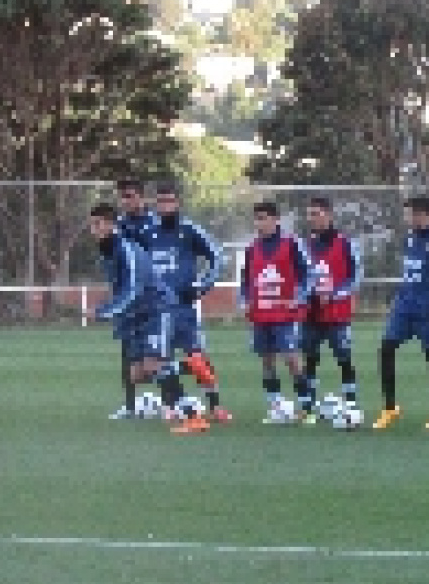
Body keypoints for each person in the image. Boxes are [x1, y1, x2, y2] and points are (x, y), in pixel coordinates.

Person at [86, 202, 207, 434]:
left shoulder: (127, 250)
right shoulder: (107, 251)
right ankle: (189, 365)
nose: (94, 229)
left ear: (111, 224)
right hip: (137, 315)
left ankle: (193, 417)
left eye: (98, 224)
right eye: (91, 224)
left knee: (154, 365)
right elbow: (120, 288)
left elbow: (133, 290)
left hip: (157, 309)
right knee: (137, 375)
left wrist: (103, 311)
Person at [145, 182, 230, 422]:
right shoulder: (148, 232)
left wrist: (202, 285)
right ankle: (171, 406)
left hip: (185, 308)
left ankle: (215, 406)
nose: (165, 206)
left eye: (169, 201)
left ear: (178, 203)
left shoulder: (189, 230)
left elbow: (217, 257)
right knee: (159, 360)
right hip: (157, 309)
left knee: (198, 356)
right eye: (161, 202)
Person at [373, 195, 429, 431]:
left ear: (422, 214)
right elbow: (409, 273)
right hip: (404, 309)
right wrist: (398, 299)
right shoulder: (410, 238)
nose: (407, 219)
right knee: (386, 350)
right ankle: (390, 408)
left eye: (409, 214)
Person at [240, 201, 313, 423]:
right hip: (261, 314)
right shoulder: (252, 248)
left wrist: (299, 297)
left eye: (263, 218)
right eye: (256, 219)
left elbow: (308, 275)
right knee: (267, 361)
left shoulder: (292, 243)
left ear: (275, 220)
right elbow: (246, 279)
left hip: (285, 314)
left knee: (291, 359)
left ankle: (307, 408)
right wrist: (244, 300)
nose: (258, 223)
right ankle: (275, 407)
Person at [300, 196, 362, 425]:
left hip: (338, 314)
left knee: (344, 358)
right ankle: (308, 408)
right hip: (311, 313)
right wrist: (305, 294)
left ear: (328, 215)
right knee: (310, 359)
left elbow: (355, 277)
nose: (312, 218)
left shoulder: (345, 243)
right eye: (309, 214)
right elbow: (298, 276)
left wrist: (334, 294)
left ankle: (351, 405)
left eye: (316, 214)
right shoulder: (304, 245)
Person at [110, 178, 159, 419]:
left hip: (152, 298)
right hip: (127, 299)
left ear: (141, 197)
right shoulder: (118, 226)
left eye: (129, 196)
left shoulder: (156, 224)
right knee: (127, 353)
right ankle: (130, 406)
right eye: (122, 197)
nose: (125, 201)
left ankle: (173, 402)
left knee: (158, 356)